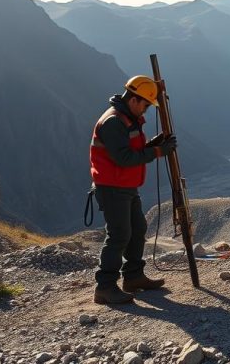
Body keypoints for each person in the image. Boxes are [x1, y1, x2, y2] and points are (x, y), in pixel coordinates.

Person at [89, 75, 177, 304]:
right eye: (146, 105)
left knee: (138, 228)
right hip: (112, 187)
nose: (146, 110)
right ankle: (105, 287)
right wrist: (157, 152)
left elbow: (130, 150)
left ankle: (134, 277)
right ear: (135, 100)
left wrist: (153, 145)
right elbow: (124, 158)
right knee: (119, 235)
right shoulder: (114, 122)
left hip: (125, 186)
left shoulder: (127, 119)